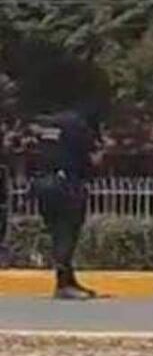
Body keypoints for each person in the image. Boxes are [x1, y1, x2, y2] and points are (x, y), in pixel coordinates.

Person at [28, 106, 102, 300]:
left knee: (57, 232)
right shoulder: (77, 124)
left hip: (43, 182)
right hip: (66, 183)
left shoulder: (46, 124)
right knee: (67, 232)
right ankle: (63, 284)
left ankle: (68, 279)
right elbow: (88, 157)